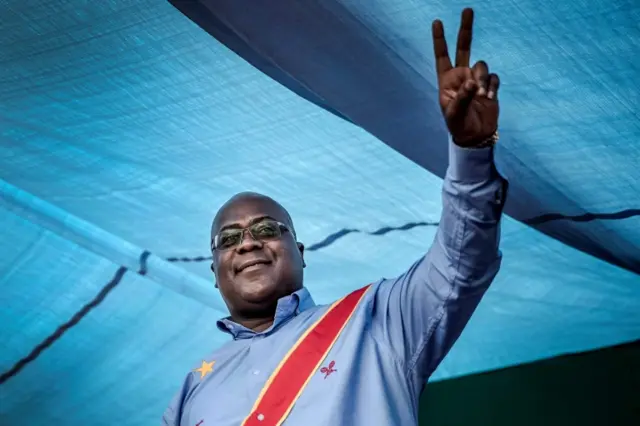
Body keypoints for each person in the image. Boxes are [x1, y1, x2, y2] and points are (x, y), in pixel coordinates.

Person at [162, 7, 508, 426]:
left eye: (266, 229)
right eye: (229, 238)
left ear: (300, 251)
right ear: (214, 271)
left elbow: (462, 264)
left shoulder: (378, 318)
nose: (248, 242)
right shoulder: (192, 389)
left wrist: (471, 150)